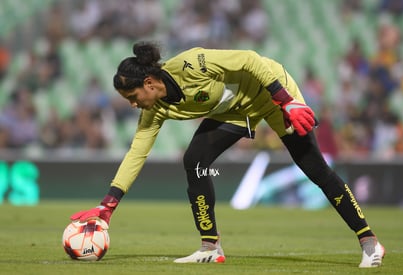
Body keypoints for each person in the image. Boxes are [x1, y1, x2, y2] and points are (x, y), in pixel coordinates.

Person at [70, 42, 385, 268]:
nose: (133, 104)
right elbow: (137, 152)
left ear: (149, 83)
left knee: (315, 169)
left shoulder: (191, 64)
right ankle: (211, 247)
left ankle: (369, 241)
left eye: (133, 96)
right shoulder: (156, 109)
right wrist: (108, 204)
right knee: (195, 162)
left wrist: (286, 100)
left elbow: (249, 59)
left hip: (270, 93)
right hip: (236, 110)